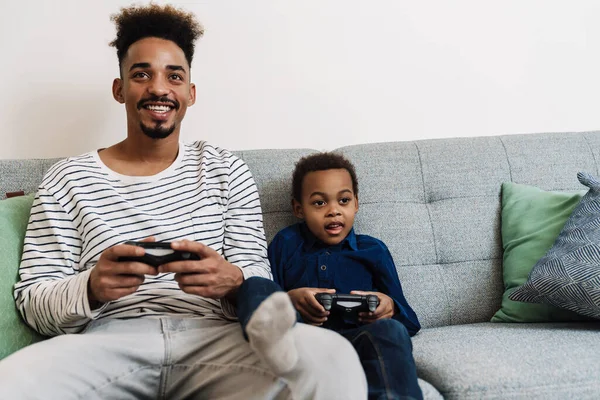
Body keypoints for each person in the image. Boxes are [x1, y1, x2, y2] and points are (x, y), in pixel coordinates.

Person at [0, 4, 368, 399]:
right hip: (108, 342)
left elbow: (259, 276)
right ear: (119, 88)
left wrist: (231, 281)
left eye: (174, 76)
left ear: (190, 93)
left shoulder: (226, 170)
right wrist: (92, 287)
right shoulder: (67, 178)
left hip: (216, 339)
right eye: (141, 74)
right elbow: (33, 299)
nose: (159, 88)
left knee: (332, 358)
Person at [263, 152, 423, 400]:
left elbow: (410, 322)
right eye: (319, 203)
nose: (334, 211)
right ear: (298, 208)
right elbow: (263, 309)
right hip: (307, 343)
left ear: (356, 204)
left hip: (359, 339)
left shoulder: (374, 250)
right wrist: (291, 299)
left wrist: (389, 306)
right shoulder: (285, 244)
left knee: (391, 332)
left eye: (344, 200)